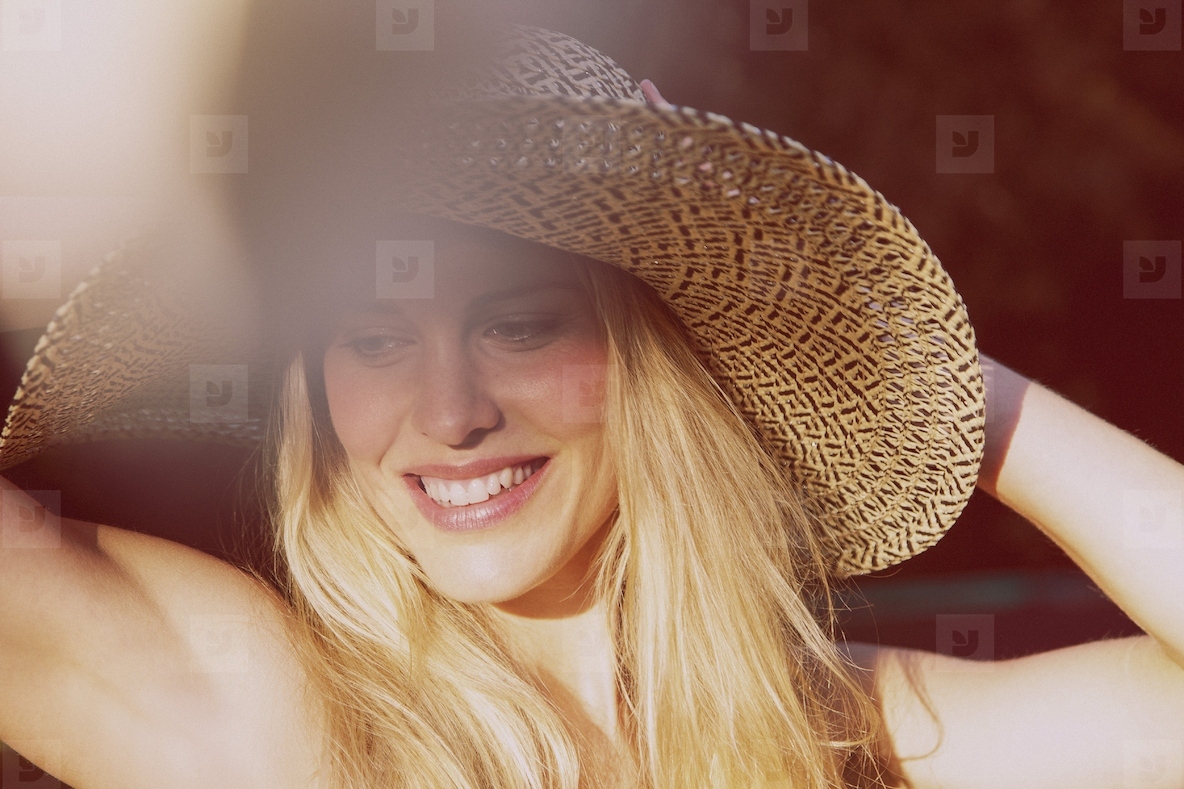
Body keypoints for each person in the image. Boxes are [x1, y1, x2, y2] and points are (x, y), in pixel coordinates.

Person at [1, 17, 1183, 789]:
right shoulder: (280, 716)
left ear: (653, 370)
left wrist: (944, 383)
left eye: (518, 325)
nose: (450, 412)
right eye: (372, 338)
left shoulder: (839, 725)